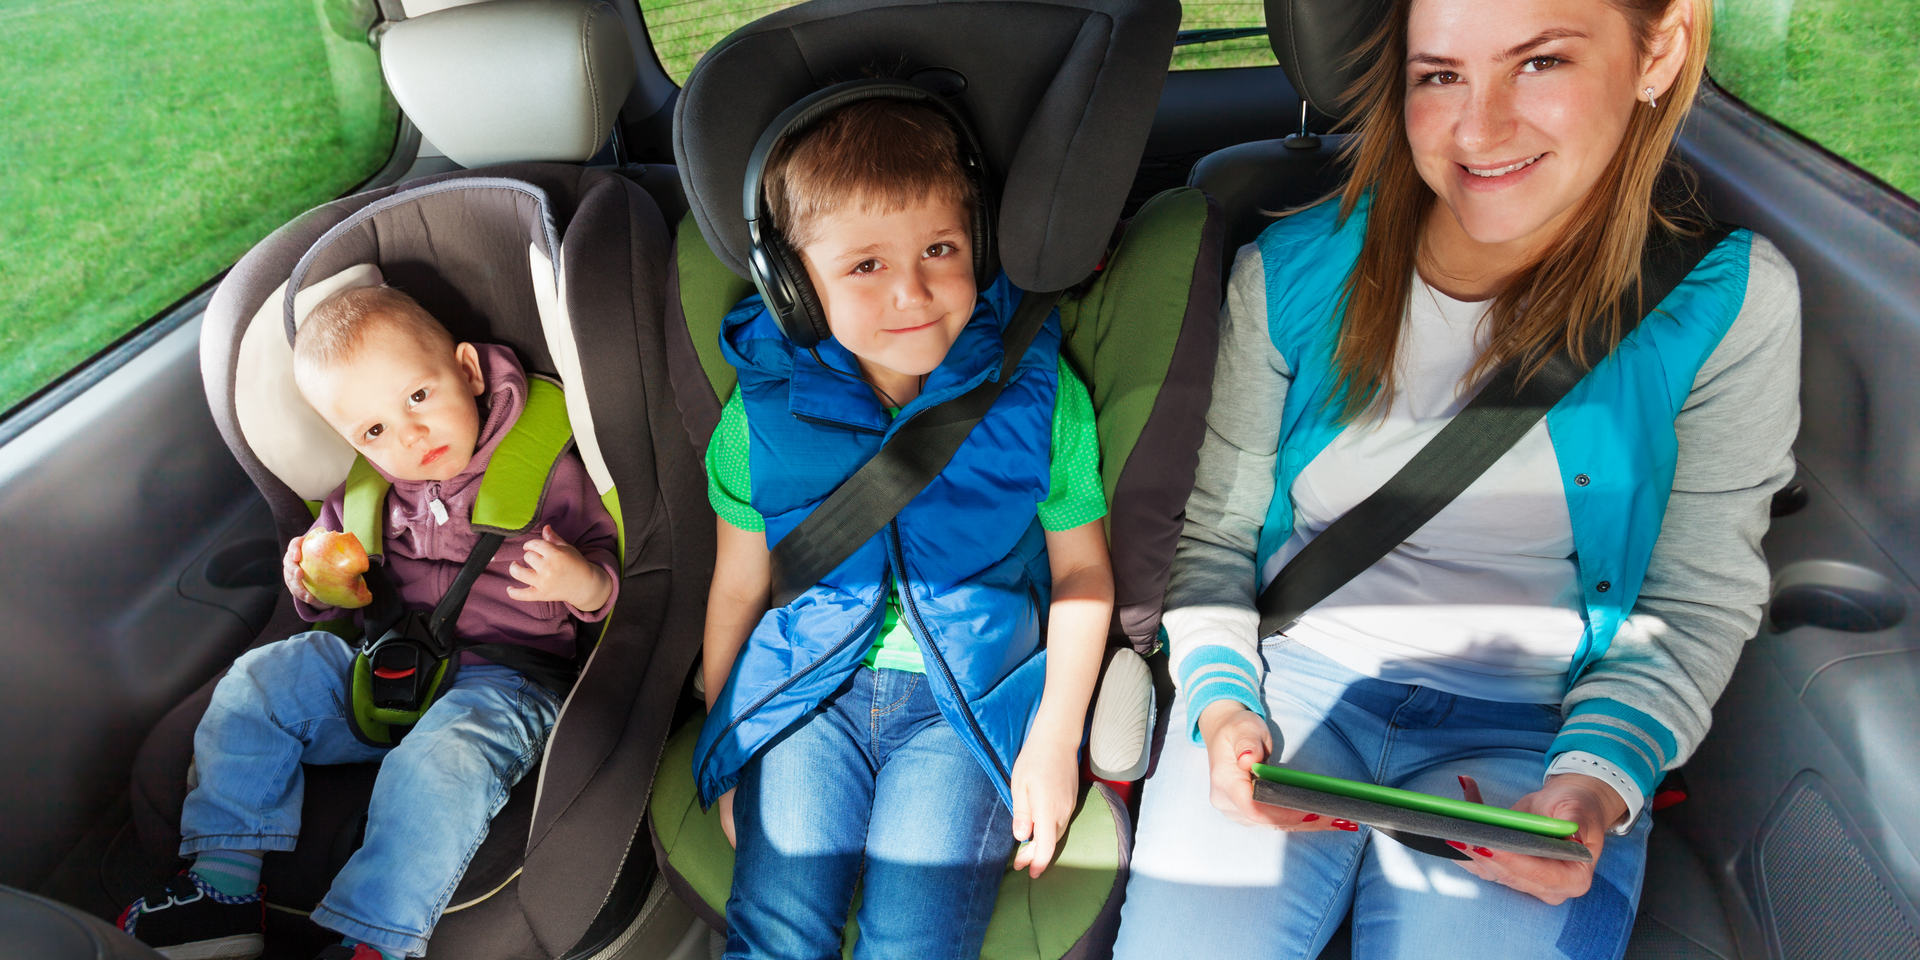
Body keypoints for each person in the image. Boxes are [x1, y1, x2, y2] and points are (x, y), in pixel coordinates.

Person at [1114, 0, 1800, 956]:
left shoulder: (1722, 303)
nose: (1480, 128)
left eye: (1541, 62)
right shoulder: (1288, 274)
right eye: (1439, 74)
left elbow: (1693, 600)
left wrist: (1597, 779)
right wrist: (1225, 705)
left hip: (1540, 725)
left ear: (1662, 48)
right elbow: (1217, 541)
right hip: (1290, 686)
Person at [693, 98, 1114, 960]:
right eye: (865, 266)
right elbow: (739, 585)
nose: (912, 293)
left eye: (940, 250)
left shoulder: (1037, 398)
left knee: (911, 941)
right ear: (795, 286)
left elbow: (1082, 576)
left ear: (979, 246)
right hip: (808, 701)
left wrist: (1053, 743)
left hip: (967, 711)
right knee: (774, 927)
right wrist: (731, 738)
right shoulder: (758, 418)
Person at [117, 285, 620, 960]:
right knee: (260, 681)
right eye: (374, 431)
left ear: (468, 372)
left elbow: (622, 578)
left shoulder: (546, 464)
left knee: (439, 764)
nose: (409, 436)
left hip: (508, 679)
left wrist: (580, 581)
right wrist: (314, 583)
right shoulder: (368, 489)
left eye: (418, 397)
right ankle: (224, 888)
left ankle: (374, 942)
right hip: (384, 665)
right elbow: (334, 595)